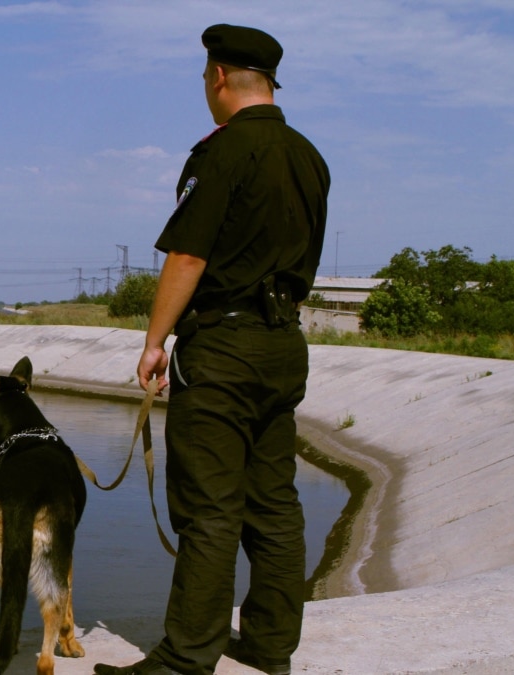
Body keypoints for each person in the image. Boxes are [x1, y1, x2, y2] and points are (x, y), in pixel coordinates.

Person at [94, 24, 330, 675]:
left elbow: (189, 254)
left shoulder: (220, 154)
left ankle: (185, 657)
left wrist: (153, 341)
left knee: (209, 504)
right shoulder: (310, 157)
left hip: (223, 347)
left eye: (205, 77)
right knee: (275, 503)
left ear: (219, 77)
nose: (206, 87)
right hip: (285, 345)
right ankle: (270, 643)